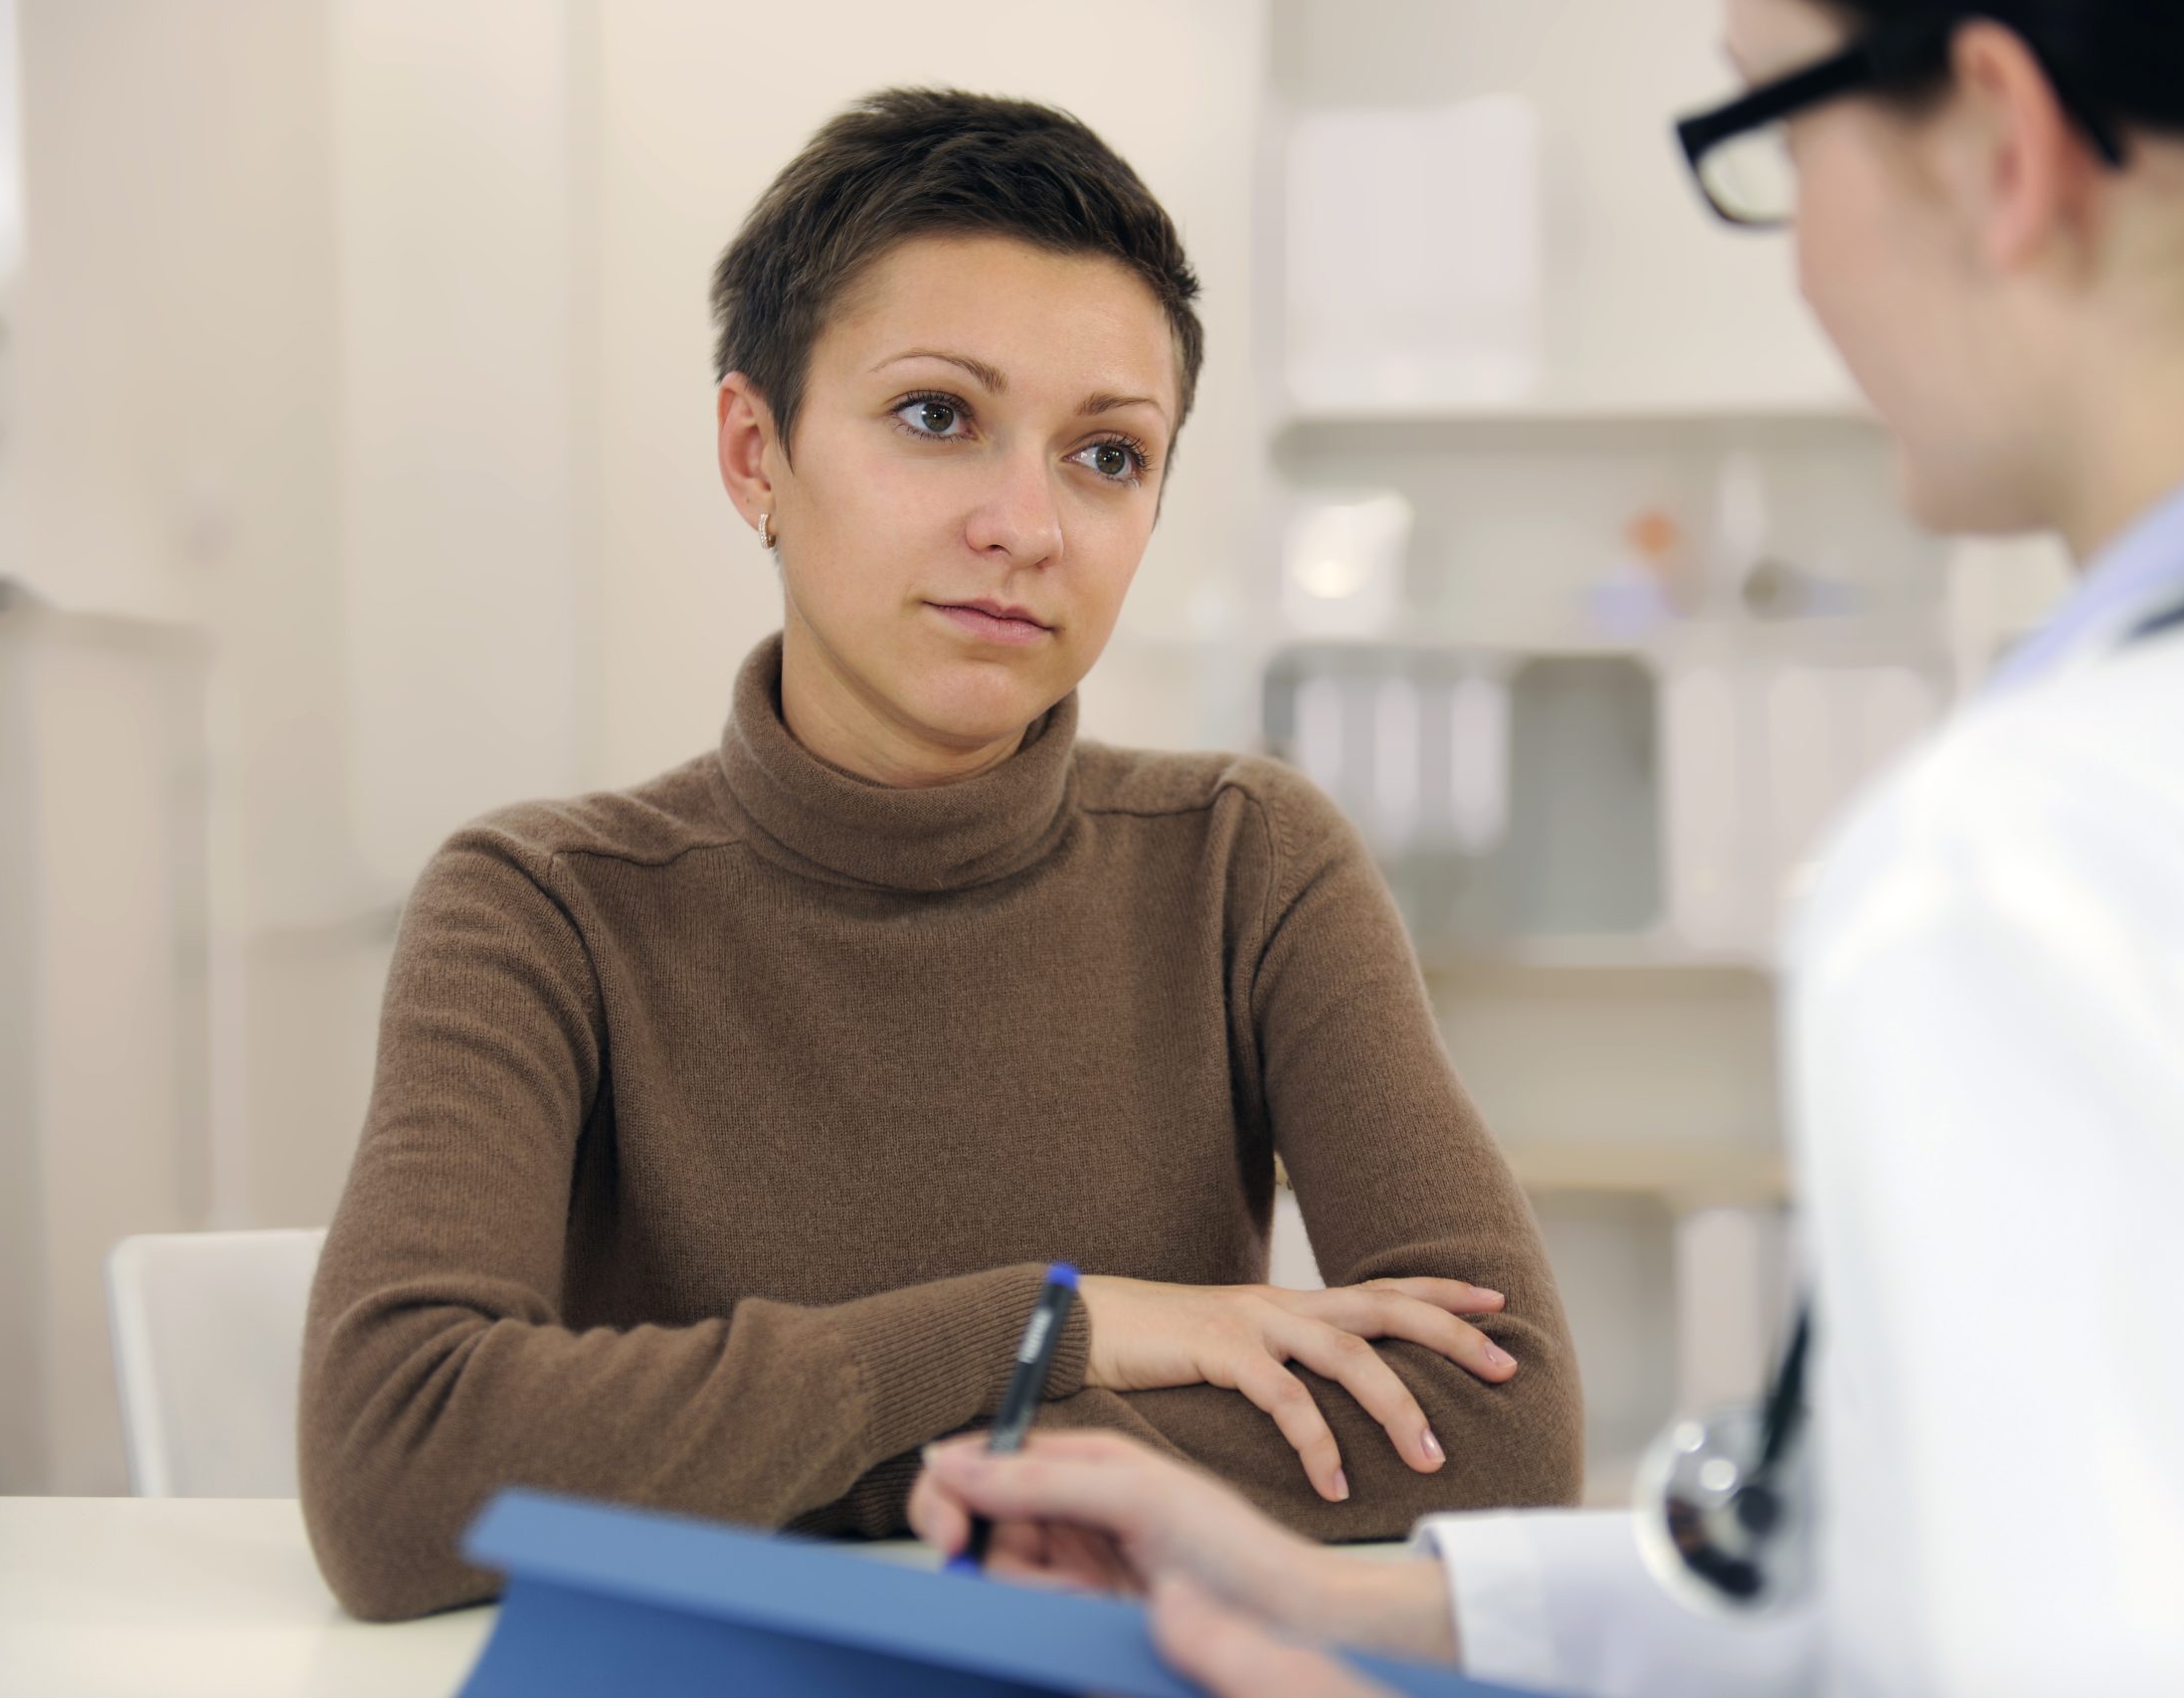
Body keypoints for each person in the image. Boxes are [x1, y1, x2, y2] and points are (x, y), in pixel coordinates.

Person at [908, 2, 2184, 1692]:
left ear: (2001, 141)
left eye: (1774, 139)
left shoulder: (2062, 866)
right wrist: (1373, 1611)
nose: (1804, 262)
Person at [296, 89, 1582, 1623]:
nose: (1027, 525)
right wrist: (1047, 1330)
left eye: (1107, 454)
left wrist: (753, 1449)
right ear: (754, 450)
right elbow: (401, 1471)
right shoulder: (542, 908)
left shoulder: (1249, 865)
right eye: (936, 417)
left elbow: (1499, 1432)